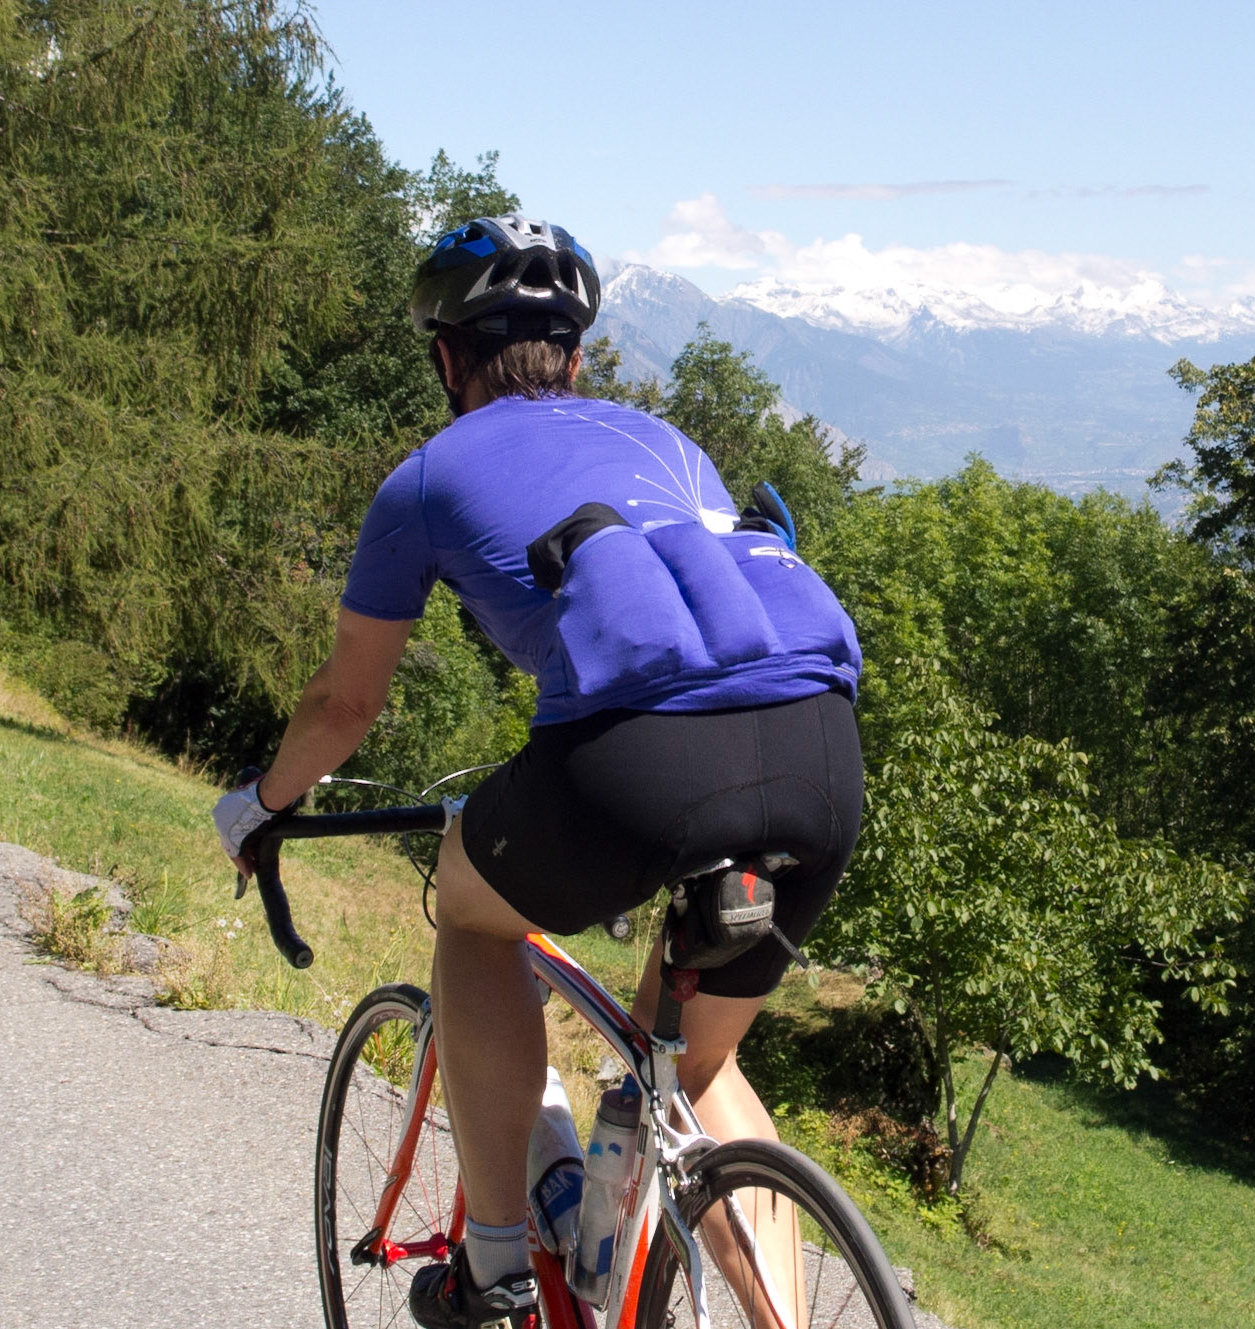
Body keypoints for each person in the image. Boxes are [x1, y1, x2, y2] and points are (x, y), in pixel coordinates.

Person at [212, 214, 863, 1329]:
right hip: (820, 754)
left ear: (447, 360)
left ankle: (495, 1270)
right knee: (694, 1072)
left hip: (634, 768)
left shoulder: (424, 478)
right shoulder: (673, 446)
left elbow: (345, 703)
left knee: (474, 913)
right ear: (573, 359)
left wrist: (260, 806)